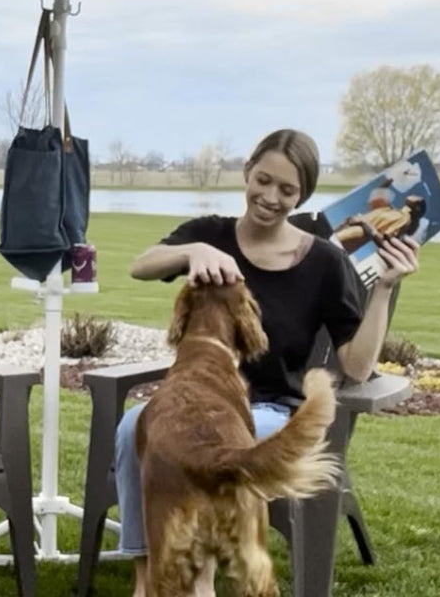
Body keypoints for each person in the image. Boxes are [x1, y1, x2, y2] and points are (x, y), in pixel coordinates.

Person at [115, 128, 419, 597]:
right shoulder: (211, 235)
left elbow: (356, 368)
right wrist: (192, 251)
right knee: (131, 425)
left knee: (208, 448)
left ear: (303, 196)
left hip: (271, 410)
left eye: (287, 190)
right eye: (264, 180)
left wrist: (384, 288)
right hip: (197, 402)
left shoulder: (323, 263)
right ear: (247, 173)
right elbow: (141, 265)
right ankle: (148, 576)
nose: (270, 197)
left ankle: (199, 583)